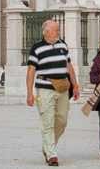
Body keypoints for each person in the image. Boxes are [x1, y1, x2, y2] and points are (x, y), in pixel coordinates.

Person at [26, 20, 80, 167]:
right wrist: (29, 93)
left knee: (62, 121)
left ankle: (48, 146)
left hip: (62, 88)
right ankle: (51, 154)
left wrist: (75, 85)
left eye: (58, 30)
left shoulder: (63, 45)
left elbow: (69, 66)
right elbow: (31, 71)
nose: (58, 32)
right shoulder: (37, 49)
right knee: (47, 122)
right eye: (56, 30)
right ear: (46, 31)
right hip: (44, 89)